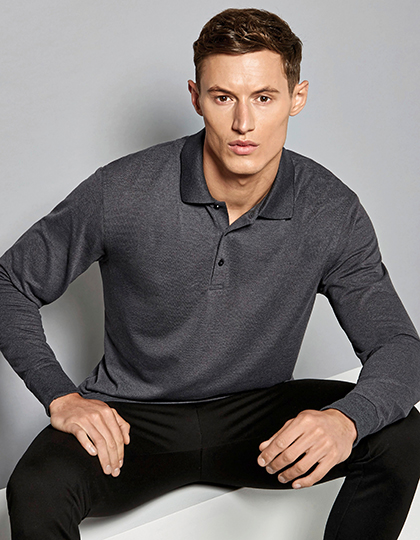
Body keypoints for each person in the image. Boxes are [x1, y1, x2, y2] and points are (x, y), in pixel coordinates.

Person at [1, 7, 420, 540]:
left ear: (297, 98)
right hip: (131, 422)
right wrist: (61, 396)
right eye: (223, 98)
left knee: (402, 434)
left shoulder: (331, 210)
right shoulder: (122, 191)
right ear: (197, 98)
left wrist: (348, 419)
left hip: (257, 423)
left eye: (263, 98)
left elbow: (398, 345)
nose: (244, 123)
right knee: (35, 489)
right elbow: (9, 283)